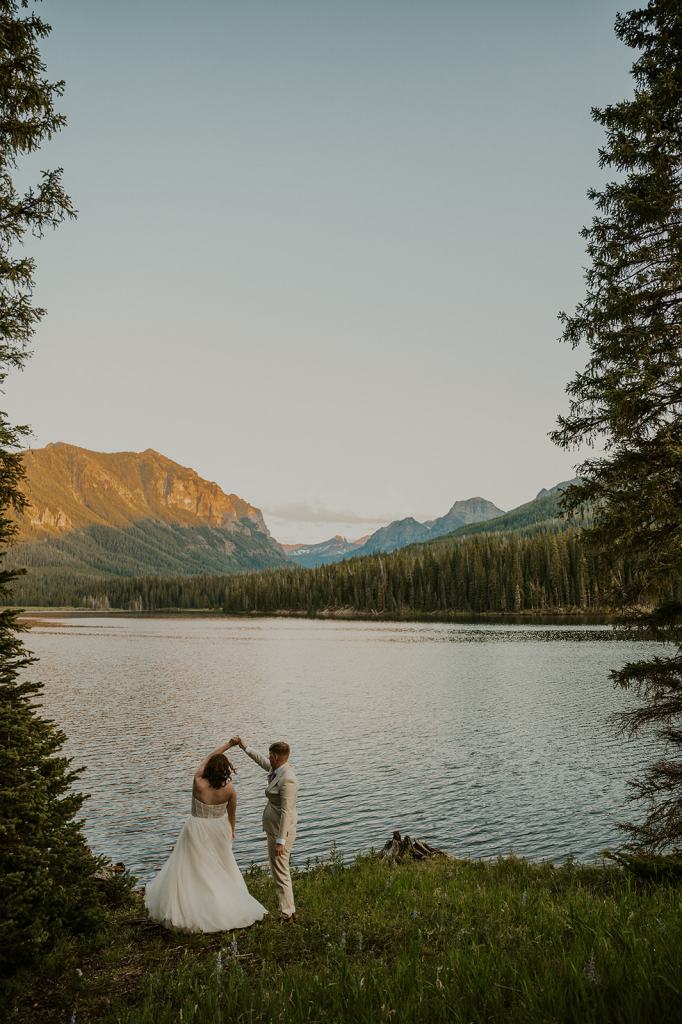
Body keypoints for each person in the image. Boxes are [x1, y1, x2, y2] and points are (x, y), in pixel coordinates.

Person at [144, 740, 267, 932]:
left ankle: (197, 904)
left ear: (209, 768)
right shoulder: (230, 790)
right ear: (226, 770)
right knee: (221, 866)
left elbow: (206, 759)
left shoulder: (198, 782)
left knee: (194, 867)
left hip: (197, 827)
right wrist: (231, 831)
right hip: (219, 829)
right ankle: (223, 905)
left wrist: (228, 745)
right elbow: (232, 815)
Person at [230, 736, 299, 922]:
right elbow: (260, 760)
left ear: (276, 757)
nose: (268, 758)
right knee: (280, 871)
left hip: (280, 832)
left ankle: (287, 914)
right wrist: (244, 746)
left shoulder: (288, 779)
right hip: (274, 829)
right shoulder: (277, 770)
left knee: (280, 872)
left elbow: (286, 812)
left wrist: (280, 841)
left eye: (270, 755)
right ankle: (290, 911)